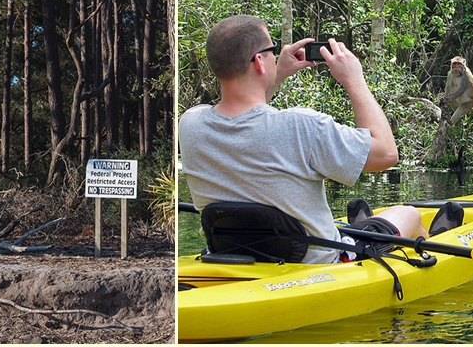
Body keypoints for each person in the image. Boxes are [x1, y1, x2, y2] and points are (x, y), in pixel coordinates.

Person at [179, 15, 455, 264]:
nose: (276, 55)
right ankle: (433, 246)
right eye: (272, 51)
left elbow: (248, 119)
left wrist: (279, 72)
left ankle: (368, 225)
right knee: (409, 214)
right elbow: (386, 154)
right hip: (320, 262)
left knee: (383, 221)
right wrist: (354, 80)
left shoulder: (190, 124)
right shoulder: (302, 125)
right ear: (259, 62)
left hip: (232, 256)